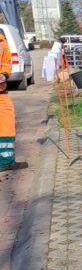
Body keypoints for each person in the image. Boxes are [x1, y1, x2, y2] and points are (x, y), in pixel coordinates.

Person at [0, 30, 28, 172]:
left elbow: (6, 61)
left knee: (6, 123)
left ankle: (6, 161)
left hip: (1, 92)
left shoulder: (1, 40)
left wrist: (4, 74)